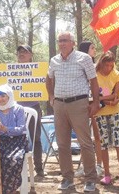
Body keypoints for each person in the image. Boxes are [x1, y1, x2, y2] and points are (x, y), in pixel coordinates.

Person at [46, 31, 100, 192]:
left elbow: (94, 81)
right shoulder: (54, 60)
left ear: (73, 43)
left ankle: (90, 179)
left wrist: (96, 102)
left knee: (85, 142)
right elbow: (48, 78)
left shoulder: (84, 58)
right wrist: (51, 97)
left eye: (65, 40)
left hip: (79, 103)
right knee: (62, 144)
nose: (62, 43)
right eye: (60, 40)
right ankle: (67, 178)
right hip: (60, 105)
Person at [94, 51, 119, 186]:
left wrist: (105, 98)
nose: (109, 68)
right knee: (104, 144)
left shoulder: (116, 74)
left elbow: (117, 95)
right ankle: (107, 174)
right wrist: (107, 99)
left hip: (114, 112)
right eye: (106, 65)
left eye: (111, 65)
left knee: (117, 142)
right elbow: (94, 96)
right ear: (101, 63)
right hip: (100, 113)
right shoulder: (95, 76)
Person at [13, 45, 45, 177]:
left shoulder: (38, 70)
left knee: (36, 138)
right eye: (19, 51)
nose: (22, 54)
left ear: (31, 55)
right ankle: (16, 167)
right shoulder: (11, 71)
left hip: (34, 107)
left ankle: (39, 168)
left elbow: (45, 85)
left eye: (25, 52)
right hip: (16, 109)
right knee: (16, 138)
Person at [76, 40, 104, 178]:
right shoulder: (78, 66)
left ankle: (99, 165)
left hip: (95, 104)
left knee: (97, 136)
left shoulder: (97, 67)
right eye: (92, 48)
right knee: (84, 137)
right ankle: (85, 165)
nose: (95, 50)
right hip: (81, 103)